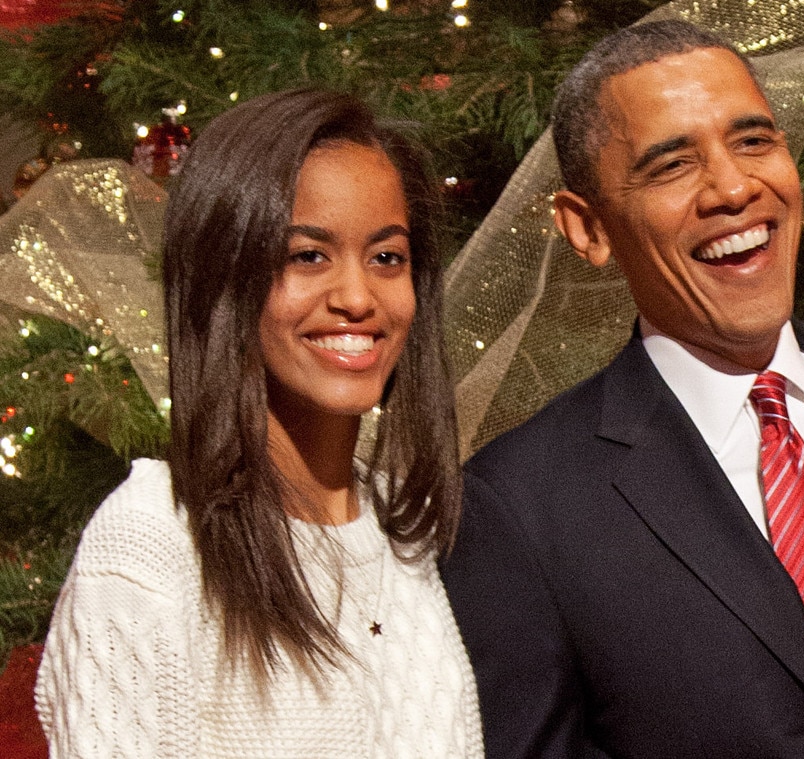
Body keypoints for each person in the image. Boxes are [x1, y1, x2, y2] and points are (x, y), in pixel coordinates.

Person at [440, 19, 804, 759]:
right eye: (672, 165)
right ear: (587, 229)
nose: (735, 187)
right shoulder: (520, 508)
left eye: (754, 141)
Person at [34, 89, 483, 758]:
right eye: (307, 256)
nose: (358, 296)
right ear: (224, 279)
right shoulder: (151, 543)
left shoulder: (400, 523)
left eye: (387, 257)